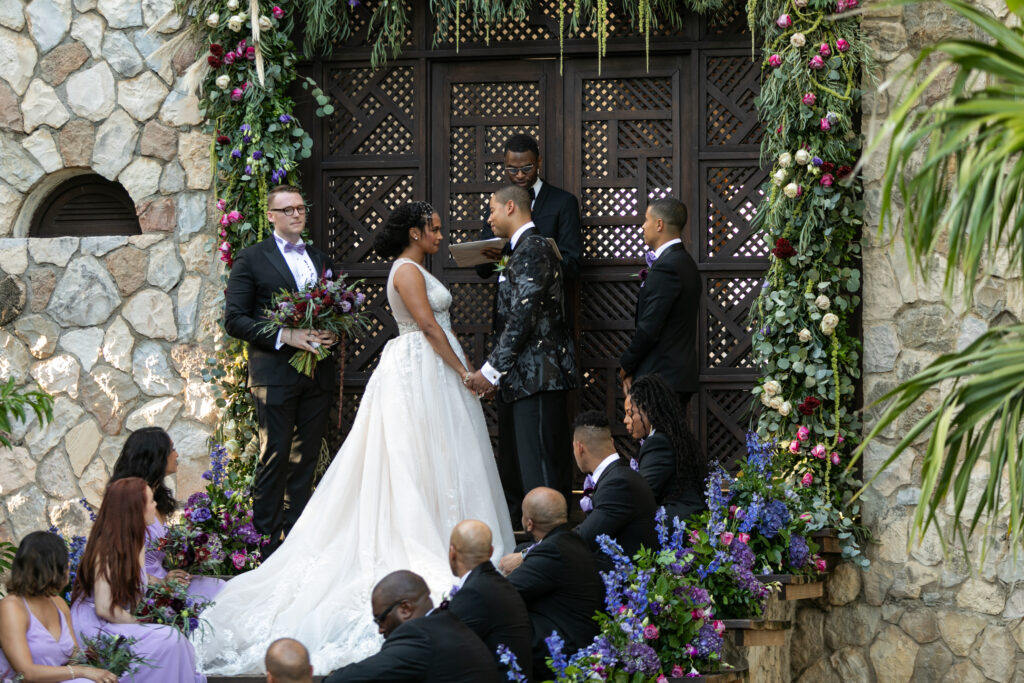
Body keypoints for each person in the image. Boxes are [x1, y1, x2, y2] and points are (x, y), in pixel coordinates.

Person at [194, 203, 514, 675]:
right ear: (415, 232)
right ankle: (271, 541)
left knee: (437, 456)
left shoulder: (365, 262)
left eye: (303, 208)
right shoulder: (405, 270)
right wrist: (464, 372)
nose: (442, 237)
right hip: (415, 369)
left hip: (422, 374)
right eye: (436, 230)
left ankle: (458, 532)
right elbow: (427, 326)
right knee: (372, 458)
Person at [224, 184, 338, 556]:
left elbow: (331, 311)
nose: (296, 214)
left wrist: (330, 333)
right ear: (270, 216)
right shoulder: (252, 258)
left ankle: (298, 542)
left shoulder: (319, 259)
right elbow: (235, 320)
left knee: (305, 460)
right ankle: (265, 545)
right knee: (274, 457)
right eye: (287, 209)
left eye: (300, 208)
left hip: (316, 375)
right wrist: (285, 335)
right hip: (274, 375)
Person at [475, 135, 582, 526]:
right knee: (526, 463)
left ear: (509, 207)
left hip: (539, 374)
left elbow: (522, 317)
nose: (487, 219)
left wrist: (490, 370)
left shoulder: (535, 249)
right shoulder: (519, 248)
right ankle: (538, 539)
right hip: (523, 376)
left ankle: (551, 544)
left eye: (491, 210)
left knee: (540, 467)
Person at [70, 478, 206, 683]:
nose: (155, 506)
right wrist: (142, 624)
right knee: (170, 639)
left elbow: (136, 579)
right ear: (136, 508)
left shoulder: (136, 540)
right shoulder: (107, 548)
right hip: (97, 627)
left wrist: (164, 587)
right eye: (151, 501)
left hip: (118, 620)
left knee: (176, 639)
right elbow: (104, 608)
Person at [497, 488, 603, 680]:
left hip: (566, 650)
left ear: (529, 524)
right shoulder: (570, 540)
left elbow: (505, 592)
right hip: (578, 636)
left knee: (496, 619)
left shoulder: (552, 550)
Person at [109, 427, 224, 601]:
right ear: (156, 457)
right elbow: (124, 568)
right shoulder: (131, 503)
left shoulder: (156, 498)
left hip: (166, 580)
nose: (176, 455)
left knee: (222, 588)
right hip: (146, 591)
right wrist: (163, 582)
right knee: (216, 596)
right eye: (172, 449)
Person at [323, 571, 499, 683]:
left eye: (381, 619)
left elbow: (361, 676)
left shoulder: (419, 635)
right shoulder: (446, 623)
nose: (380, 630)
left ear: (405, 609)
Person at [0, 531, 117, 683]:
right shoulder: (11, 607)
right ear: (51, 567)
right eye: (65, 561)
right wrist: (82, 671)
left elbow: (75, 657)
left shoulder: (58, 603)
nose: (69, 565)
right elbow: (25, 673)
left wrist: (104, 656)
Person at [619, 197, 701, 412]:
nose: (643, 226)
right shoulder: (684, 262)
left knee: (660, 441)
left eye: (646, 220)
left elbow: (649, 327)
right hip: (673, 375)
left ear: (659, 224)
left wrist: (626, 365)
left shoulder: (668, 267)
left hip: (662, 376)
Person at [445, 521, 532, 679]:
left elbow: (449, 650)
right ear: (491, 552)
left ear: (452, 553)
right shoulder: (499, 584)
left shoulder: (473, 593)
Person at [571, 411, 657, 566]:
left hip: (625, 583)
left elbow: (584, 537)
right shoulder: (618, 474)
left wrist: (527, 554)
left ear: (579, 447)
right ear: (611, 441)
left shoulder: (618, 483)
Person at [625, 375, 708, 523]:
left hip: (676, 523)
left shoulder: (658, 443)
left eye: (630, 413)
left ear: (648, 411)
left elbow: (642, 495)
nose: (625, 420)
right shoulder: (669, 437)